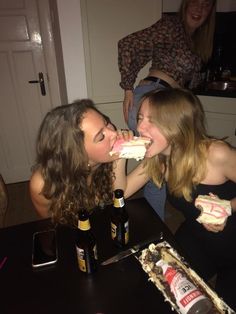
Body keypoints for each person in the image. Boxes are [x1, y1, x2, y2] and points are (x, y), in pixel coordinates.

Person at [113, 88, 236, 310]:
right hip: (196, 238)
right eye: (140, 118)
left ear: (177, 126)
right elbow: (121, 193)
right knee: (159, 289)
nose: (139, 127)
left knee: (225, 307)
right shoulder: (161, 160)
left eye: (152, 120)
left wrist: (229, 206)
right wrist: (120, 155)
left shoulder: (216, 153)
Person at [118, 0, 217, 219]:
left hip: (169, 104)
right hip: (152, 97)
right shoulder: (171, 26)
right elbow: (128, 44)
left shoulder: (197, 42)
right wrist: (127, 88)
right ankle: (156, 219)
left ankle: (157, 215)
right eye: (195, 2)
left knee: (161, 166)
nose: (199, 9)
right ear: (185, 4)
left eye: (206, 4)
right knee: (156, 167)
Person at [30, 99, 122, 225]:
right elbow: (49, 224)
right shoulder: (43, 184)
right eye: (101, 136)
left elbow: (121, 192)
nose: (114, 133)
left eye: (107, 123)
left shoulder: (106, 155)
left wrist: (124, 153)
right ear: (78, 154)